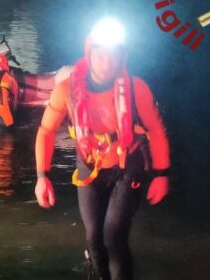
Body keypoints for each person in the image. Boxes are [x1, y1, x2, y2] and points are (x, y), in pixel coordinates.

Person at [33, 17, 171, 280]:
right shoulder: (66, 90)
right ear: (89, 53)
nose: (106, 63)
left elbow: (156, 131)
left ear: (122, 57)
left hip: (127, 168)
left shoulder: (136, 88)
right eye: (100, 55)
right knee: (94, 239)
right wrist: (42, 177)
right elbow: (46, 131)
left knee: (113, 237)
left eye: (113, 55)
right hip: (89, 168)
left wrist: (162, 175)